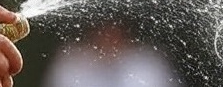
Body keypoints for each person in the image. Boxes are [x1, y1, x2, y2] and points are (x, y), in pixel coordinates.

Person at [42, 22, 182, 87]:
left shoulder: (146, 65)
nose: (108, 42)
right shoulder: (73, 64)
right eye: (103, 35)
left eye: (114, 36)